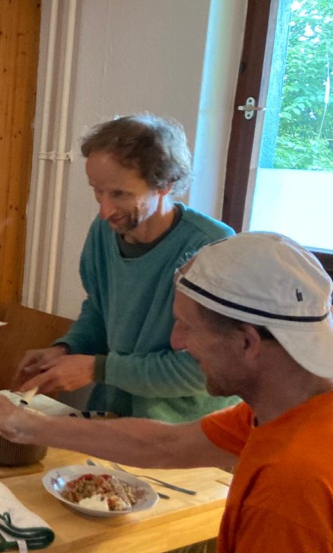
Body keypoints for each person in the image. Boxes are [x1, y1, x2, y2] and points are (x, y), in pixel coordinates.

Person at [0, 232, 333, 553]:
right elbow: (165, 445)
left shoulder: (293, 482)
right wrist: (28, 425)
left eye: (188, 326)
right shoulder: (293, 404)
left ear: (247, 342)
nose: (177, 342)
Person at [14, 114, 236, 422]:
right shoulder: (105, 231)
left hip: (188, 431)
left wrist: (97, 368)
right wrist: (67, 348)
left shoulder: (211, 247)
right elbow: (99, 310)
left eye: (120, 194)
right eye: (97, 190)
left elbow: (200, 370)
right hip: (116, 414)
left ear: (165, 185)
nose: (104, 211)